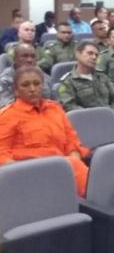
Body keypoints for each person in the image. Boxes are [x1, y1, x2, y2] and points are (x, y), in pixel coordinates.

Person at [0, 66, 90, 196]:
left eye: (37, 84)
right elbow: (2, 154)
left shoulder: (55, 109)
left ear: (42, 86)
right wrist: (22, 175)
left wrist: (72, 164)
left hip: (62, 168)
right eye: (25, 85)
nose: (32, 89)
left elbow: (71, 140)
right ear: (16, 91)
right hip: (29, 174)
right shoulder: (7, 116)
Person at [58, 41, 114, 118]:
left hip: (109, 118)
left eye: (96, 55)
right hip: (85, 122)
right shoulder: (68, 81)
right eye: (90, 53)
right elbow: (69, 106)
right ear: (78, 54)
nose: (94, 57)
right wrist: (92, 116)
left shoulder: (102, 76)